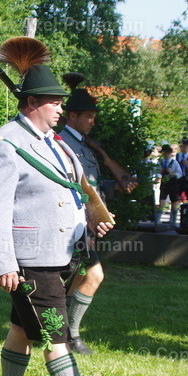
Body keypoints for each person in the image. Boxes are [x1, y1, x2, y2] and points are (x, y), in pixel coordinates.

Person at [0, 57, 125, 376]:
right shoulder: (4, 144)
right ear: (32, 104)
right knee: (53, 338)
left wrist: (92, 217)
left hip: (60, 254)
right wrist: (4, 262)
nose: (62, 108)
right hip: (30, 263)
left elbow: (72, 191)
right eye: (55, 102)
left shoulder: (54, 144)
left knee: (20, 333)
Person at [56, 73, 110, 355]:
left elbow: (92, 184)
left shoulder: (83, 143)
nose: (93, 121)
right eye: (88, 116)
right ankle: (71, 335)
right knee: (93, 274)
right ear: (72, 116)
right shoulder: (62, 143)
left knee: (75, 276)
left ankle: (58, 330)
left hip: (88, 223)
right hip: (74, 223)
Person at [157, 144, 183, 225]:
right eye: (164, 153)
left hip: (173, 183)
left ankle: (173, 221)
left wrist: (172, 173)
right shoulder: (160, 162)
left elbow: (179, 174)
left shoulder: (174, 162)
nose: (166, 154)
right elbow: (157, 172)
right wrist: (160, 172)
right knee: (162, 200)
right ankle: (158, 220)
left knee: (174, 201)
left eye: (167, 152)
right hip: (164, 183)